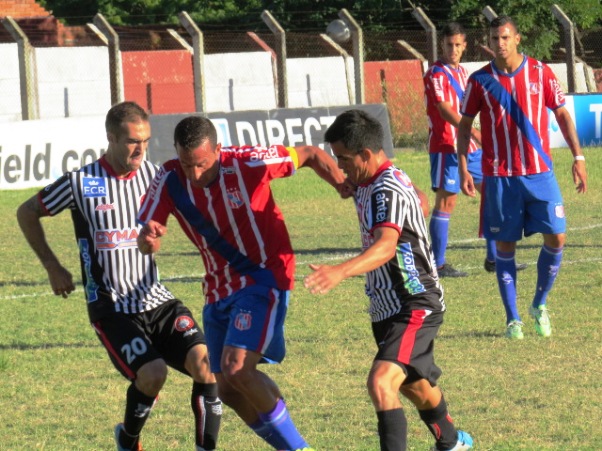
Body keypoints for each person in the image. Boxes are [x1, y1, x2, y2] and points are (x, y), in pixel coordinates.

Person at [16, 102, 222, 451]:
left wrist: (156, 237)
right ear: (110, 138)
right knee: (153, 374)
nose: (140, 148)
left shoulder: (156, 176)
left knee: (206, 365)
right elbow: (26, 212)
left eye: (145, 140)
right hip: (111, 307)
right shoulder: (81, 183)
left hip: (155, 298)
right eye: (131, 141)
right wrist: (52, 266)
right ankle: (128, 441)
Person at [136, 115, 348, 450]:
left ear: (219, 150)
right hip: (217, 288)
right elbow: (147, 231)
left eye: (202, 164)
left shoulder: (249, 161)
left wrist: (339, 182)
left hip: (263, 276)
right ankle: (286, 443)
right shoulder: (169, 176)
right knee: (225, 387)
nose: (194, 174)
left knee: (236, 369)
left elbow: (308, 154)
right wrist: (149, 239)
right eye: (187, 163)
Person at [304, 109, 473, 451]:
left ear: (366, 154)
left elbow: (384, 247)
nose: (341, 166)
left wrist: (340, 271)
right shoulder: (369, 180)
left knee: (382, 382)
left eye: (345, 159)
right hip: (385, 306)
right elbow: (420, 200)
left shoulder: (386, 188)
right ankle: (453, 443)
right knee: (415, 386)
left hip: (415, 301)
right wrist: (343, 181)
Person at [457, 15, 587, 339]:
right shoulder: (479, 81)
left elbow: (561, 113)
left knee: (557, 237)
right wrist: (462, 166)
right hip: (500, 177)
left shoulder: (541, 73)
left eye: (504, 37)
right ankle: (513, 319)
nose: (499, 44)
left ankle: (539, 305)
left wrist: (578, 157)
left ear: (517, 39)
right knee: (505, 245)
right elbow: (464, 125)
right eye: (494, 38)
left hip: (540, 173)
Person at [423, 22, 526, 277]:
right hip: (447, 145)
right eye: (449, 45)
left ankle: (494, 258)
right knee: (447, 202)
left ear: (465, 46)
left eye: (458, 45)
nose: (454, 49)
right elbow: (444, 109)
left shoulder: (464, 73)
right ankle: (438, 264)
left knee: (492, 194)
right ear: (442, 45)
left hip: (471, 147)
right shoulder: (435, 73)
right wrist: (474, 132)